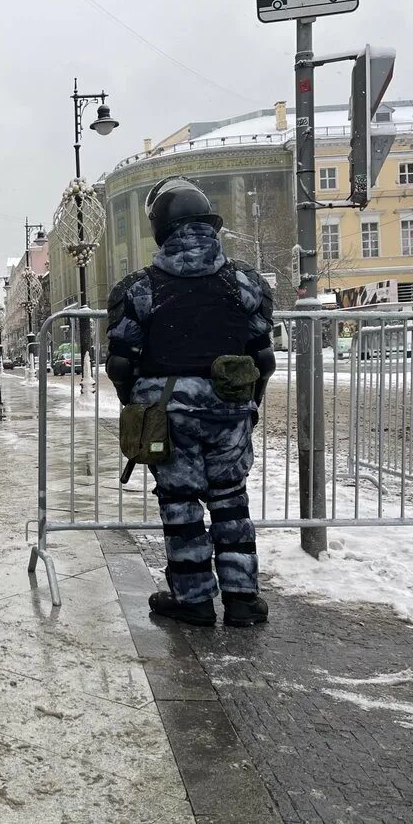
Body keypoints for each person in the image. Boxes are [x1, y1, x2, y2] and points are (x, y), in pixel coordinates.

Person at [106, 178, 275, 628]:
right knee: (231, 501)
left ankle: (194, 598)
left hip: (169, 413)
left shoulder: (141, 288)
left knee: (180, 505)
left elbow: (120, 364)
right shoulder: (243, 282)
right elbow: (265, 358)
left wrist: (137, 406)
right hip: (230, 409)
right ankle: (242, 600)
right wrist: (250, 405)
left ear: (161, 230)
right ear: (208, 226)